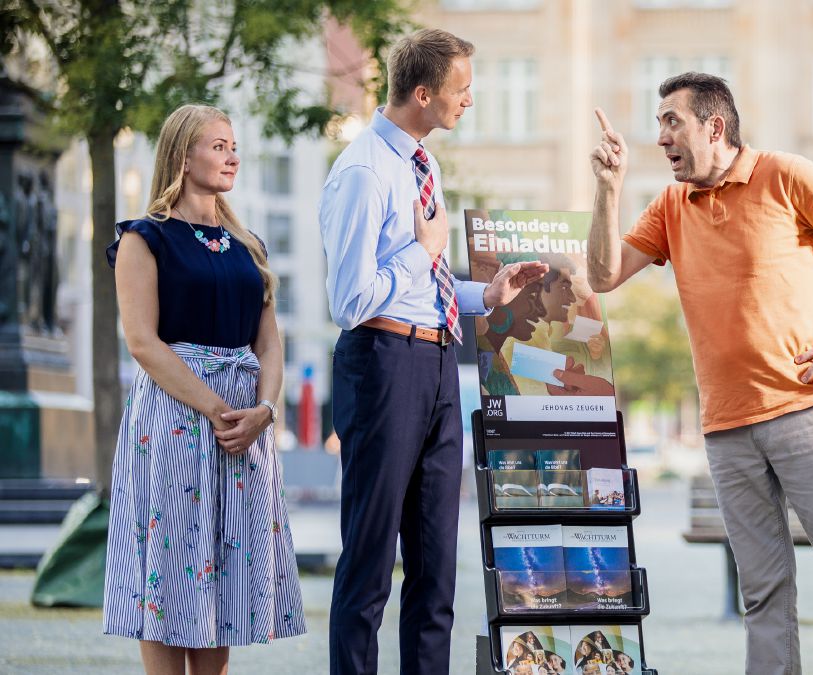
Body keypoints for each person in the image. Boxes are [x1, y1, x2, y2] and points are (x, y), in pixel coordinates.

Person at [587, 72, 813, 674]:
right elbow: (604, 275)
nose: (660, 135)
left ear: (714, 126)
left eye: (671, 121)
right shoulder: (670, 205)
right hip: (726, 427)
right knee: (763, 592)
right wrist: (608, 189)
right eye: (658, 122)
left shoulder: (785, 175)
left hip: (806, 411)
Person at [319, 29, 547, 675]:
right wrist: (425, 251)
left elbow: (421, 279)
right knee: (368, 564)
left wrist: (484, 294)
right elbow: (353, 300)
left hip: (440, 362)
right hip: (382, 365)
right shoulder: (363, 171)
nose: (469, 100)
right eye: (461, 89)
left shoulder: (422, 162)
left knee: (436, 565)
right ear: (423, 94)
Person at [102, 104, 306, 672]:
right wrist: (219, 408)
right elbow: (142, 342)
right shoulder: (146, 239)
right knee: (171, 564)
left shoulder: (249, 246)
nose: (232, 155)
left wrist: (264, 410)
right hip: (175, 417)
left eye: (233, 145)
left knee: (225, 559)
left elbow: (269, 344)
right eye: (218, 146)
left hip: (245, 423)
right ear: (182, 154)